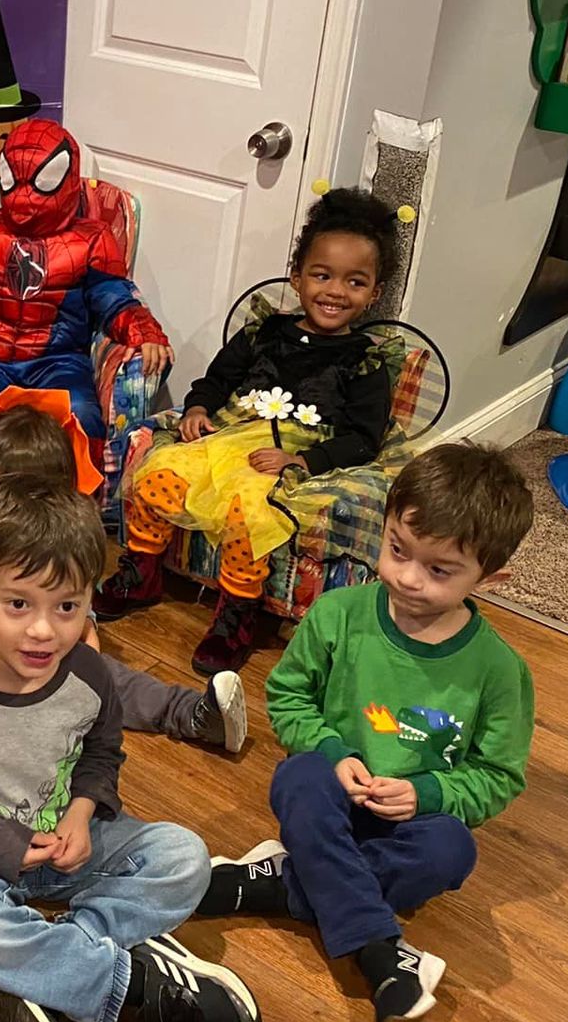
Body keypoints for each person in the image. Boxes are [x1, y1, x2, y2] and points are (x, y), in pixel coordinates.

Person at [0, 476, 260, 1022]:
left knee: (185, 859)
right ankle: (132, 986)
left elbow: (102, 754)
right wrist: (2, 842)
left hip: (65, 840)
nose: (44, 630)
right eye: (18, 603)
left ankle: (41, 969)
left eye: (68, 607)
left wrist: (82, 811)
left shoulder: (90, 673)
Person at [202, 443, 534, 1022]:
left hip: (408, 823)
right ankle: (381, 951)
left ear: (492, 577)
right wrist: (333, 753)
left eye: (439, 570)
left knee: (453, 852)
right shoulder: (338, 613)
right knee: (298, 776)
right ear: (384, 529)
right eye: (397, 550)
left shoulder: (499, 671)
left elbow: (498, 776)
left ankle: (283, 882)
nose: (407, 578)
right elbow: (287, 698)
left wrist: (428, 794)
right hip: (327, 797)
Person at [96, 188, 401, 675]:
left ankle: (237, 614)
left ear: (374, 292)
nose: (335, 292)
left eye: (355, 282)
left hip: (294, 452)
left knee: (251, 509)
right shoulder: (263, 331)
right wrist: (197, 408)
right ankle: (141, 572)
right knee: (161, 470)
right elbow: (216, 380)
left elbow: (364, 438)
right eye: (322, 275)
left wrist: (300, 463)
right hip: (232, 435)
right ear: (298, 277)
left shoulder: (365, 360)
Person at [0, 387, 245, 753]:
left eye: (41, 494)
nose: (24, 510)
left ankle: (193, 714)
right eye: (9, 491)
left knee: (114, 679)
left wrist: (90, 656)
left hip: (46, 656)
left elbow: (82, 611)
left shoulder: (62, 545)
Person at [0, 120, 171, 454]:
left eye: (42, 182)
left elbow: (113, 296)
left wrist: (143, 329)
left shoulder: (93, 238)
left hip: (61, 362)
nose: (25, 196)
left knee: (83, 419)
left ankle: (72, 505)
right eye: (14, 181)